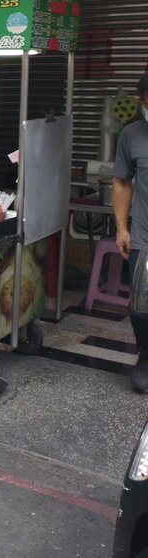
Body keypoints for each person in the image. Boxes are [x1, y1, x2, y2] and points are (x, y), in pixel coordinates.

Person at [113, 73, 148, 392]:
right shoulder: (132, 134)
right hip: (143, 236)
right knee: (140, 308)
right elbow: (122, 181)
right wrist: (122, 227)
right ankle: (146, 357)